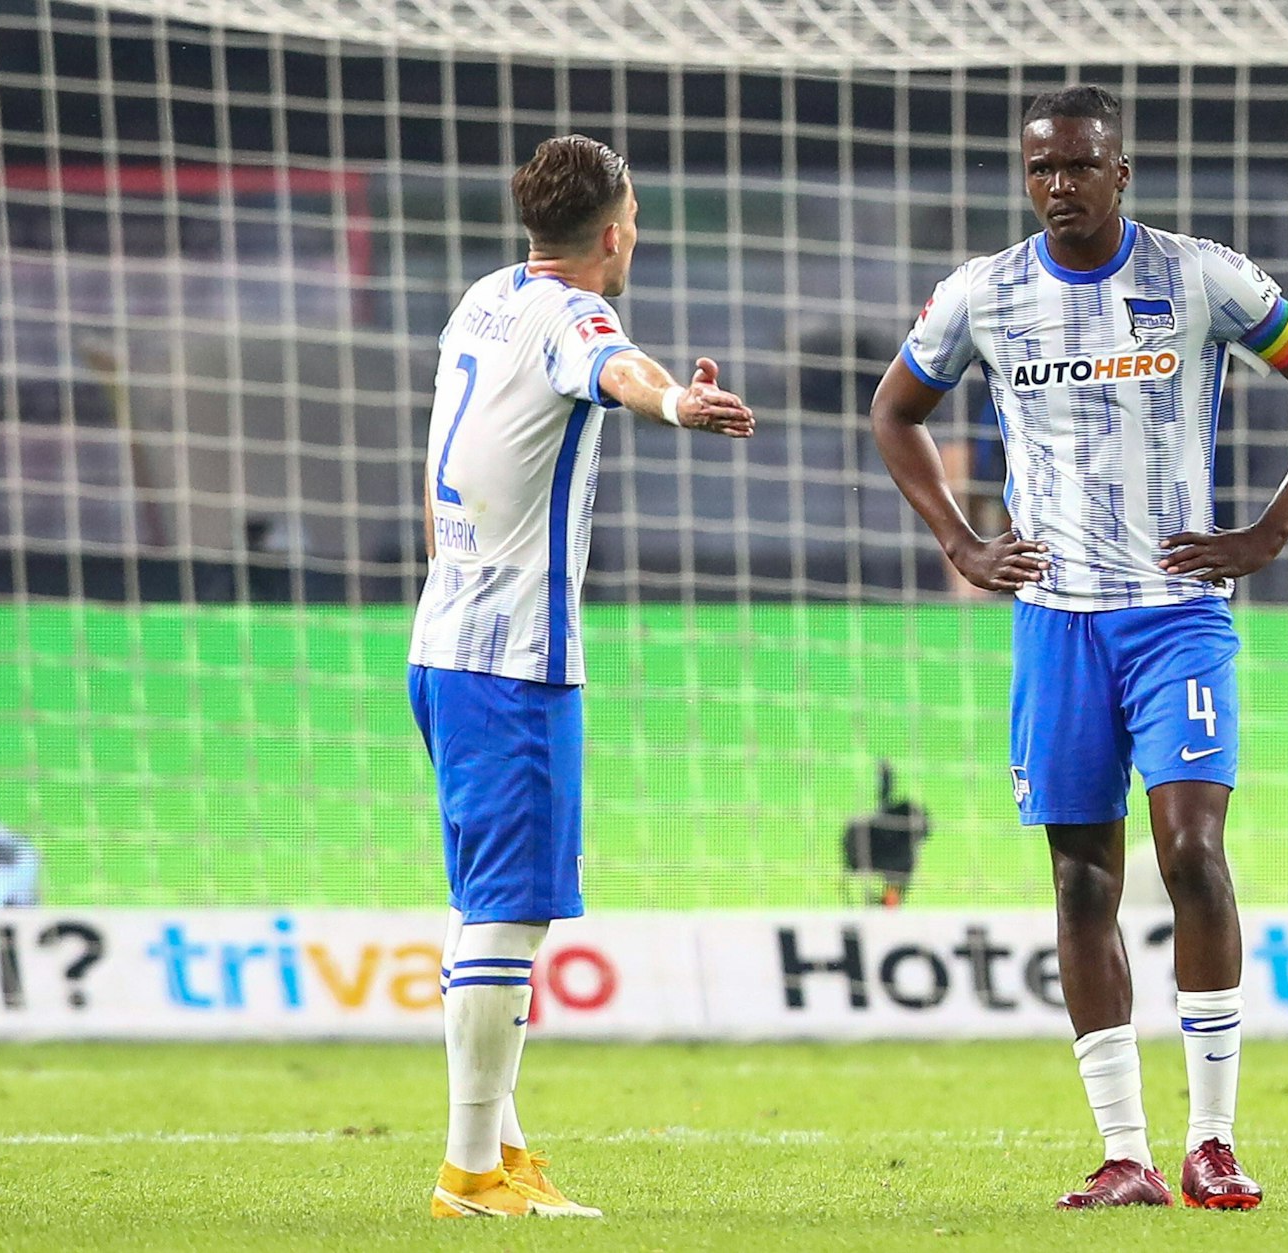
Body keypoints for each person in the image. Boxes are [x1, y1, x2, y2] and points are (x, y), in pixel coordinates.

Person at [870, 85, 1288, 1211]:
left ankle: (1213, 1141)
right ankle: (1125, 1153)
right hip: (1057, 624)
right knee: (1081, 878)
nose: (1058, 185)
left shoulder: (1198, 277)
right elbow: (894, 410)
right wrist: (960, 542)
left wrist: (1269, 529)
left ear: (1119, 171)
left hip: (1176, 614)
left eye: (1080, 165)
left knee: (1191, 852)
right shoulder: (984, 293)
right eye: (1040, 167)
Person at [408, 134, 754, 1219]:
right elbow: (615, 368)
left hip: (442, 640)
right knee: (509, 918)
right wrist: (679, 404)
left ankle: (503, 1154)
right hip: (514, 661)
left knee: (481, 908)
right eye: (635, 220)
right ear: (613, 232)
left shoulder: (484, 300)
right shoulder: (575, 314)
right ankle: (468, 1171)